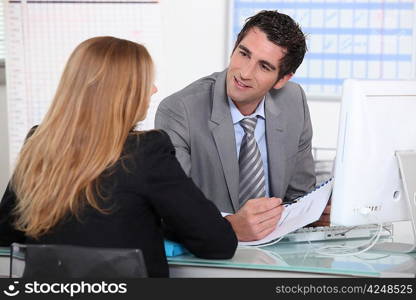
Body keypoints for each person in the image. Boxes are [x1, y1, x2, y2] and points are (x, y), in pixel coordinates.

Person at [0, 36, 237, 277]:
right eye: (146, 82)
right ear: (123, 93)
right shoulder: (147, 150)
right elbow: (218, 243)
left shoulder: (38, 142)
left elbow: (6, 234)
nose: (153, 89)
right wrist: (165, 222)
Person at [155, 10, 316, 242]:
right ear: (234, 48)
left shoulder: (293, 100)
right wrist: (228, 227)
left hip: (276, 252)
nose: (244, 73)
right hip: (209, 254)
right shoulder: (180, 111)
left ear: (282, 79)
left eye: (264, 66)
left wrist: (316, 213)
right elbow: (171, 211)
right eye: (244, 54)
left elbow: (300, 195)